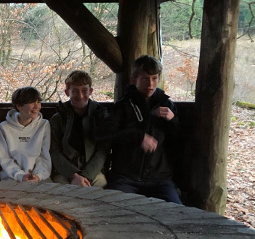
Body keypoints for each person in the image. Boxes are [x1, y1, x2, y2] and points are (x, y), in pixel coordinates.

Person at [97, 55, 182, 204]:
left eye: (154, 78)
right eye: (145, 79)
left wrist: (173, 120)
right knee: (112, 210)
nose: (150, 84)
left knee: (178, 213)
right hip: (126, 177)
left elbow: (179, 139)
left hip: (159, 179)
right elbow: (105, 134)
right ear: (133, 79)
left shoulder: (167, 105)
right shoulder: (123, 106)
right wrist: (139, 136)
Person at [50, 70, 109, 187]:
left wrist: (86, 176)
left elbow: (102, 150)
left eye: (84, 90)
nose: (80, 96)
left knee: (101, 184)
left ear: (90, 91)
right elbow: (54, 151)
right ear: (67, 92)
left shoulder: (100, 116)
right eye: (75, 91)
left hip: (93, 172)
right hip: (65, 173)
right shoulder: (58, 119)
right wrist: (73, 175)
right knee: (61, 190)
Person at [0, 86, 51, 182]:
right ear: (19, 106)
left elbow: (44, 156)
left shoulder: (44, 125)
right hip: (12, 176)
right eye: (32, 102)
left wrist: (38, 175)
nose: (37, 106)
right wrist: (20, 176)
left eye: (38, 102)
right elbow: (5, 159)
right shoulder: (4, 128)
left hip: (39, 176)